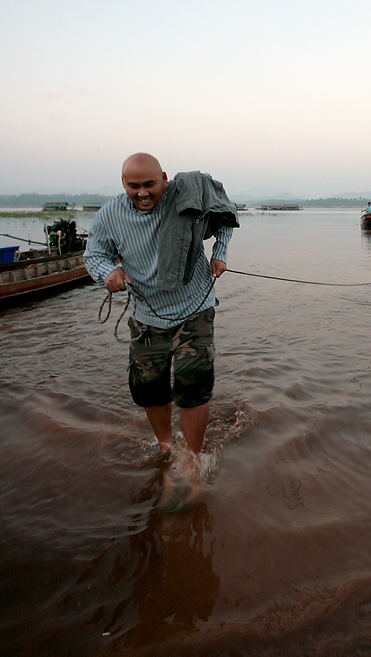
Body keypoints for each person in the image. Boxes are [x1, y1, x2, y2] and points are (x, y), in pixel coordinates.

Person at [84, 153, 239, 505]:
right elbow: (94, 255)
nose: (141, 193)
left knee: (193, 380)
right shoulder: (111, 214)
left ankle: (193, 460)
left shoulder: (186, 197)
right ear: (123, 184)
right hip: (145, 312)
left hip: (194, 304)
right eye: (132, 186)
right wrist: (108, 274)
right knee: (148, 386)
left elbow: (226, 217)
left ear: (164, 179)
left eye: (149, 184)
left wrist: (221, 253)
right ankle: (167, 444)